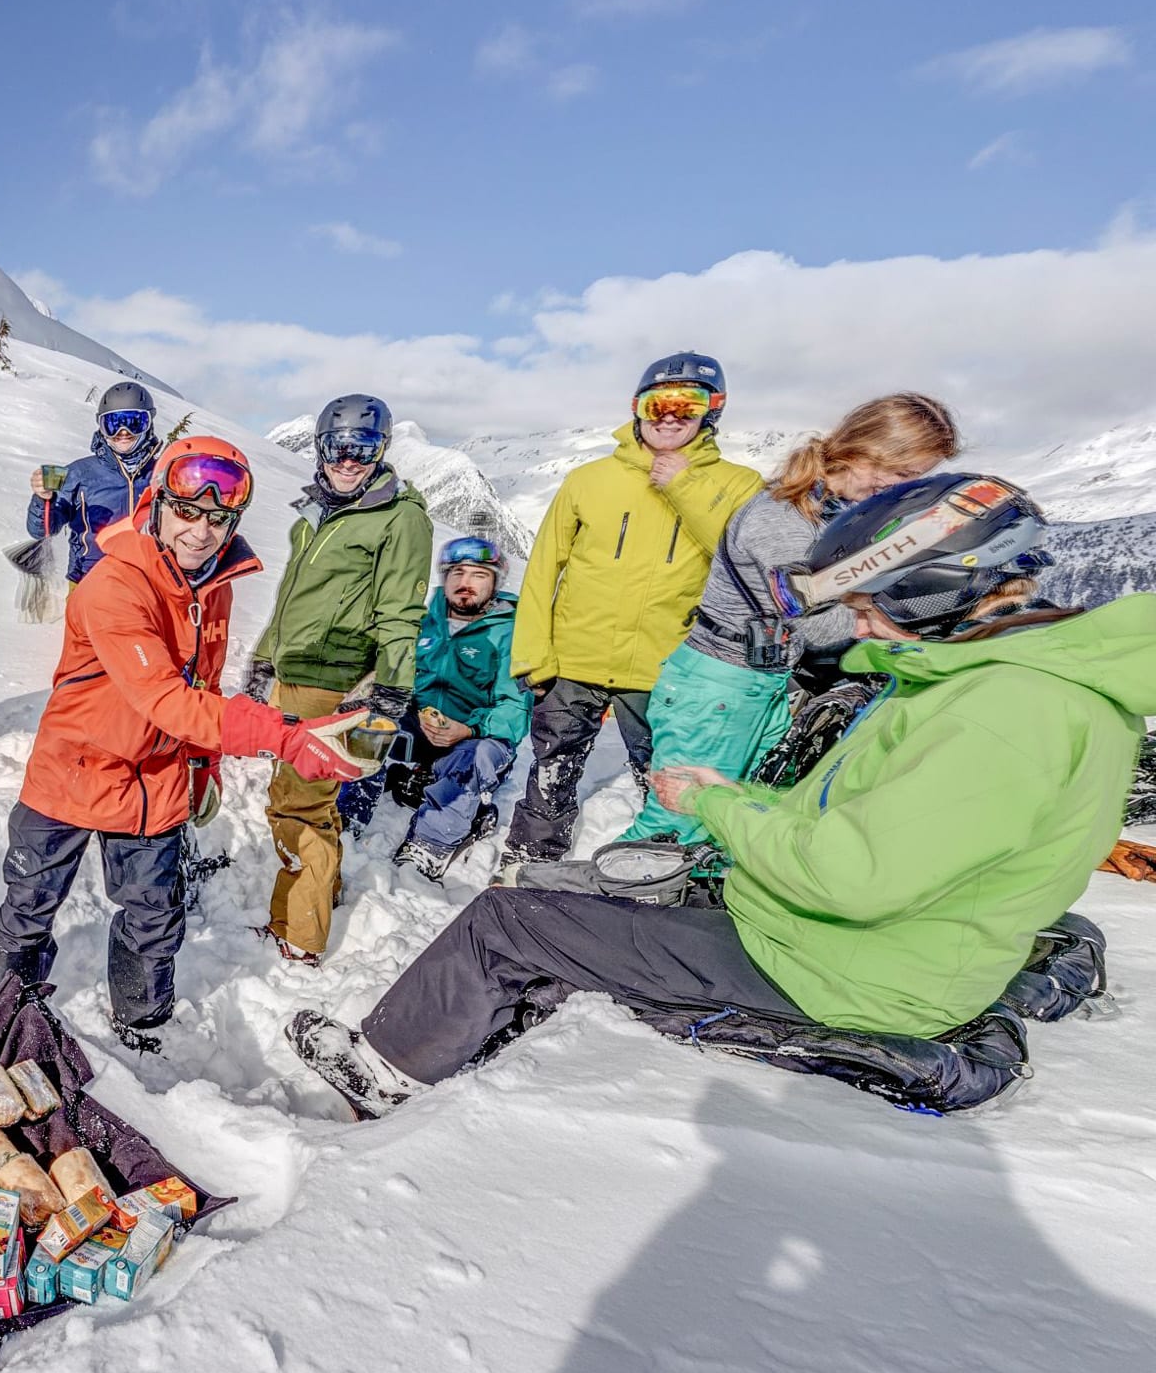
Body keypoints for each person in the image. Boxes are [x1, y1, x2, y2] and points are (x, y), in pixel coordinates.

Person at [289, 474, 1152, 1118]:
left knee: (511, 918)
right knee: (604, 889)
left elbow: (850, 875)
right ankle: (482, 1030)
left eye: (866, 601)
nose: (857, 622)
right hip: (876, 947)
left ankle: (385, 1065)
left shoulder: (1006, 713)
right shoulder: (1032, 684)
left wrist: (717, 805)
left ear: (929, 593)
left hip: (837, 966)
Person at [0, 438, 381, 1051]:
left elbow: (205, 681)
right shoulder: (114, 586)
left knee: (154, 917)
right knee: (28, 908)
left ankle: (141, 1024)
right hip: (75, 769)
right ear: (157, 505)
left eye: (219, 519)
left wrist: (203, 765)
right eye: (188, 511)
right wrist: (284, 736)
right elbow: (165, 697)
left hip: (156, 777)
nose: (202, 531)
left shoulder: (214, 587)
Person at [622, 392, 960, 844]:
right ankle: (600, 906)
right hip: (719, 686)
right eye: (901, 473)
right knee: (677, 823)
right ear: (865, 451)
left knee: (741, 811)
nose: (900, 487)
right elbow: (819, 625)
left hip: (760, 680)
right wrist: (937, 604)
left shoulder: (831, 513)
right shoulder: (782, 519)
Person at [500, 352, 764, 877]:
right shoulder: (588, 479)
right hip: (575, 656)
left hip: (666, 665)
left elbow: (743, 562)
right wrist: (533, 652)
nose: (668, 414)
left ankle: (662, 864)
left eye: (686, 404)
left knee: (665, 776)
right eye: (655, 402)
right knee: (551, 767)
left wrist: (686, 487)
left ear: (713, 411)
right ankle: (529, 856)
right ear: (636, 408)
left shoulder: (740, 485)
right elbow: (542, 567)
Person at [243, 394, 431, 962]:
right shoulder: (320, 512)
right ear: (320, 449)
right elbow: (290, 599)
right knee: (314, 800)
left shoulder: (401, 518)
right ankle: (322, 892)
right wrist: (264, 660)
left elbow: (402, 612)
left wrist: (391, 689)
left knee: (296, 805)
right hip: (296, 671)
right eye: (338, 447)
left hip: (337, 679)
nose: (349, 460)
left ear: (381, 452)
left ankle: (298, 934)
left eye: (364, 448)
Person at [344, 536, 531, 882]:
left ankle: (430, 843)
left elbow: (516, 707)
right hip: (420, 727)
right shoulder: (422, 618)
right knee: (371, 726)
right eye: (457, 572)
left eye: (478, 575)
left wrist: (470, 729)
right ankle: (347, 815)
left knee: (478, 757)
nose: (465, 584)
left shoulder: (511, 631)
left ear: (495, 582)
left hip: (472, 737)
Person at [27, 381, 163, 583]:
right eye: (113, 424)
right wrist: (42, 499)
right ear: (101, 426)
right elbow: (43, 530)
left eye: (133, 422)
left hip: (151, 581)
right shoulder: (79, 473)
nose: (123, 432)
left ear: (148, 422)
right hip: (90, 580)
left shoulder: (162, 472)